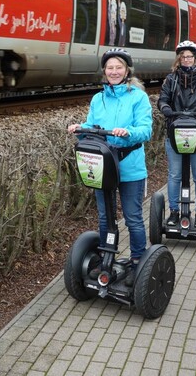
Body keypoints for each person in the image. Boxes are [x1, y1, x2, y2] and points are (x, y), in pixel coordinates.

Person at [67, 48, 152, 286]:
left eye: (119, 67)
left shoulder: (138, 97)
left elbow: (146, 130)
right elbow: (91, 125)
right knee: (105, 217)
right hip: (103, 166)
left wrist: (128, 133)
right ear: (104, 71)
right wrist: (80, 129)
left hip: (130, 167)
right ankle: (107, 257)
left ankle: (137, 261)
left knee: (132, 217)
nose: (114, 71)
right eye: (110, 67)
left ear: (127, 71)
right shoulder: (98, 98)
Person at [157, 40, 196, 229]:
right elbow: (162, 100)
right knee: (174, 174)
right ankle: (174, 212)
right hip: (175, 132)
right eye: (183, 56)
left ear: (195, 58)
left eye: (190, 56)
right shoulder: (171, 79)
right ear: (179, 58)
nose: (186, 60)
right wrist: (166, 107)